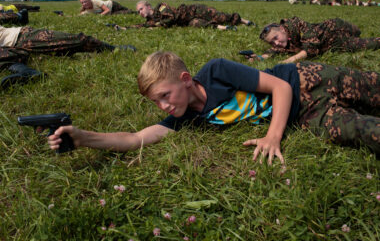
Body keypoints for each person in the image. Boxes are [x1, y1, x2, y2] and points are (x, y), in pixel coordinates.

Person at [48, 51, 380, 165]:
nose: (164, 105)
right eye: (156, 102)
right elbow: (134, 138)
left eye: (166, 95)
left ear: (186, 78)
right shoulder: (185, 118)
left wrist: (272, 138)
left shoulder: (218, 70)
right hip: (308, 116)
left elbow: (279, 87)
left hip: (308, 79)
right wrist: (82, 138)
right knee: (366, 132)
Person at [0, 25, 136, 89]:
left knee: (77, 40)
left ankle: (113, 48)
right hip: (10, 51)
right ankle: (28, 73)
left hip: (21, 37)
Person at [242, 16, 380, 63]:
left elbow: (311, 49)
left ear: (283, 29)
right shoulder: (284, 40)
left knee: (369, 43)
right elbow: (274, 51)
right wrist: (258, 57)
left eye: (276, 38)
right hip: (333, 45)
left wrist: (288, 61)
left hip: (337, 31)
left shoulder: (297, 26)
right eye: (272, 42)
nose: (276, 43)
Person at [110, 0, 254, 30]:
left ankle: (244, 21)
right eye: (138, 11)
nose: (140, 13)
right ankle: (226, 28)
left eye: (141, 9)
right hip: (187, 21)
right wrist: (123, 28)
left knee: (221, 16)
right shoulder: (152, 20)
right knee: (200, 25)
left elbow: (171, 17)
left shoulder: (161, 7)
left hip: (192, 11)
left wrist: (160, 25)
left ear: (148, 6)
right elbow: (142, 26)